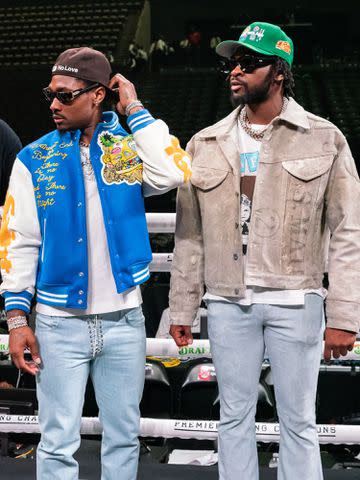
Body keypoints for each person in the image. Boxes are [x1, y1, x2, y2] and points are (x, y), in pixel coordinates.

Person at [168, 21, 360, 480]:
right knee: (233, 416)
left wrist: (344, 316)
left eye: (248, 63)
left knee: (299, 421)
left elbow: (348, 231)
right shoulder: (205, 141)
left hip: (297, 298)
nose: (235, 70)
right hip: (228, 299)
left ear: (279, 71)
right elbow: (189, 234)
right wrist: (181, 306)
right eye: (232, 62)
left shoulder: (324, 137)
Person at [0, 46, 191, 480]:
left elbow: (174, 172)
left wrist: (136, 108)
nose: (53, 104)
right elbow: (19, 242)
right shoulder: (33, 158)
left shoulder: (126, 148)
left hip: (124, 320)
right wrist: (16, 320)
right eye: (50, 94)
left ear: (99, 95)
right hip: (56, 323)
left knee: (124, 438)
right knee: (57, 442)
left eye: (66, 95)